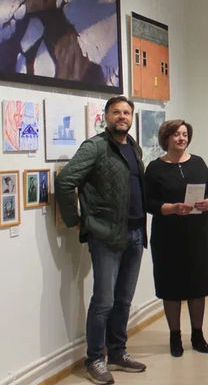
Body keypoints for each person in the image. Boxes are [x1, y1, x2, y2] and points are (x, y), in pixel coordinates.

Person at [56, 95, 147, 384]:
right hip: (106, 235)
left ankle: (117, 352)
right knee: (104, 301)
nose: (122, 117)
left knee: (124, 299)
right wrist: (74, 219)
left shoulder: (133, 147)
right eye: (116, 112)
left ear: (131, 117)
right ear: (106, 117)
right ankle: (95, 358)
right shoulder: (95, 147)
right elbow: (65, 180)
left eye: (126, 112)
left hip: (135, 232)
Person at [144, 119, 208, 358]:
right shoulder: (155, 168)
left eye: (185, 134)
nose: (181, 138)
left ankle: (197, 334)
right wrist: (170, 208)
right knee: (171, 287)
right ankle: (174, 336)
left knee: (198, 285)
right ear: (166, 138)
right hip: (167, 236)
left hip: (198, 234)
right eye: (176, 134)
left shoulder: (198, 163)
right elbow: (147, 202)